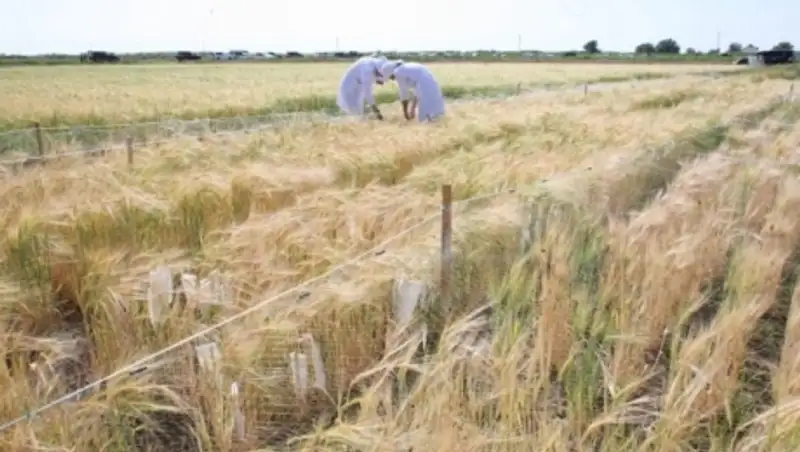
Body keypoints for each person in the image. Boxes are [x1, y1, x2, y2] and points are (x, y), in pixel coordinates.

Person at [378, 60, 445, 122]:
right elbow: (417, 92)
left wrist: (406, 114)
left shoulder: (398, 72)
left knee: (426, 115)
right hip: (431, 83)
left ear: (390, 72)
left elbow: (404, 94)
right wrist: (412, 109)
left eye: (390, 77)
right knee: (434, 113)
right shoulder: (404, 69)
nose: (392, 79)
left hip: (426, 85)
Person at [336, 54, 389, 120]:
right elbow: (368, 94)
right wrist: (376, 111)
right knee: (353, 112)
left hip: (359, 86)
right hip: (349, 86)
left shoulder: (374, 64)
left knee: (359, 111)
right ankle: (338, 123)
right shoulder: (367, 70)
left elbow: (377, 78)